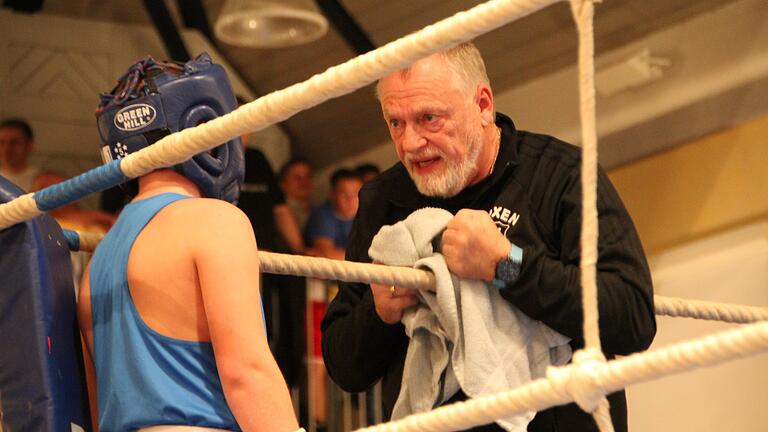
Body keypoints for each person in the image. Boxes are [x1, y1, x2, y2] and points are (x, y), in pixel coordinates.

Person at [320, 42, 656, 432]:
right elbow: (343, 367)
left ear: (482, 105)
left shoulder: (558, 175)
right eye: (395, 123)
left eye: (429, 118)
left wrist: (506, 265)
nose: (410, 143)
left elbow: (632, 316)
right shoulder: (383, 201)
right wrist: (379, 312)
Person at [77, 53, 300, 432]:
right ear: (203, 125)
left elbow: (96, 406)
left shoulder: (99, 259)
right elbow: (247, 375)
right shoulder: (215, 222)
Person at [304, 168, 363, 260]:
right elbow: (325, 253)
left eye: (356, 193)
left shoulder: (369, 214)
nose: (350, 199)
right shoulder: (322, 215)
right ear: (332, 194)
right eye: (344, 194)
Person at [0, 118, 44, 192]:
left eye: (15, 142)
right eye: (1, 142)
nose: (6, 149)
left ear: (29, 145)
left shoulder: (43, 181)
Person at [279, 157, 314, 230]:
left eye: (307, 176)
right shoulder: (279, 215)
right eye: (297, 178)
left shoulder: (318, 210)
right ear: (283, 184)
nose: (304, 182)